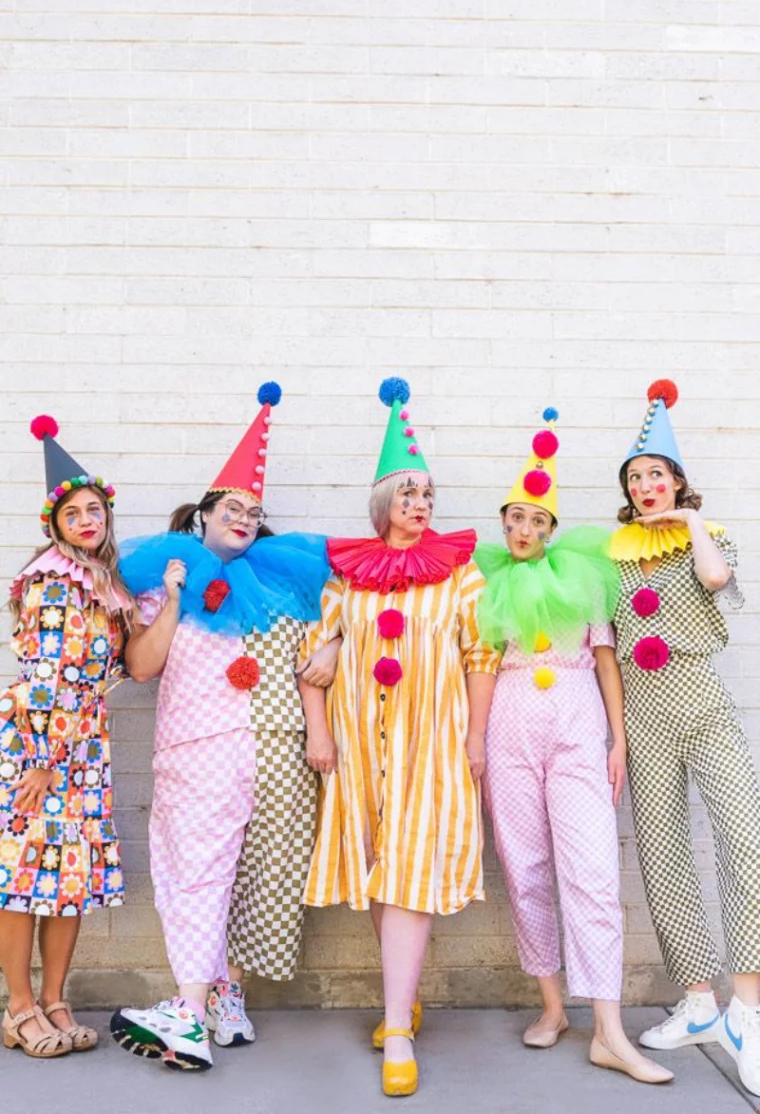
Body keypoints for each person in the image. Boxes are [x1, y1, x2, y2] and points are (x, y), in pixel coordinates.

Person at [109, 384, 330, 1072]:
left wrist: (336, 645)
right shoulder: (167, 576)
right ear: (203, 514)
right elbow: (142, 665)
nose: (244, 516)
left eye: (253, 512)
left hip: (229, 752)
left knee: (201, 875)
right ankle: (209, 1002)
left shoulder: (269, 586)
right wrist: (172, 599)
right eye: (232, 506)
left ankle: (187, 1010)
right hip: (189, 747)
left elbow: (341, 603)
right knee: (198, 874)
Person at [298, 377, 500, 1097]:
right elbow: (313, 660)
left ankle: (399, 1032)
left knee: (411, 870)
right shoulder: (348, 579)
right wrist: (319, 734)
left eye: (428, 496)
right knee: (383, 868)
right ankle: (399, 998)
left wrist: (476, 738)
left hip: (431, 748)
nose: (421, 505)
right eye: (408, 494)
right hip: (358, 752)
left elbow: (482, 655)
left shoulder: (460, 575)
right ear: (385, 502)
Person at [476, 408, 672, 1085]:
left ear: (552, 528)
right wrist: (474, 740)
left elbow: (608, 660)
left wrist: (617, 740)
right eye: (514, 518)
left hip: (578, 722)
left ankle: (610, 1030)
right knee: (524, 867)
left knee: (590, 873)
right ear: (504, 523)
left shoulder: (583, 578)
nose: (523, 529)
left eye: (535, 520)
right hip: (509, 726)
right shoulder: (489, 581)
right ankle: (553, 1005)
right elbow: (477, 663)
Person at [610, 378, 760, 1097]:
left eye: (657, 476)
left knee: (746, 843)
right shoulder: (610, 557)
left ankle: (748, 1010)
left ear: (676, 481)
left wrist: (691, 520)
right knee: (663, 854)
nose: (646, 487)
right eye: (637, 478)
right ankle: (698, 1000)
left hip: (703, 703)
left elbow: (718, 579)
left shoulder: (710, 535)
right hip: (642, 718)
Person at [0, 416, 132, 1058]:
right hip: (40, 744)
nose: (87, 519)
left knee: (68, 875)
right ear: (53, 526)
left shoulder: (104, 584)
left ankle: (56, 999)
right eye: (72, 512)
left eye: (95, 509)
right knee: (23, 876)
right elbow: (46, 676)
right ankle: (19, 1006)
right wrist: (47, 760)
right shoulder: (53, 580)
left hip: (85, 744)